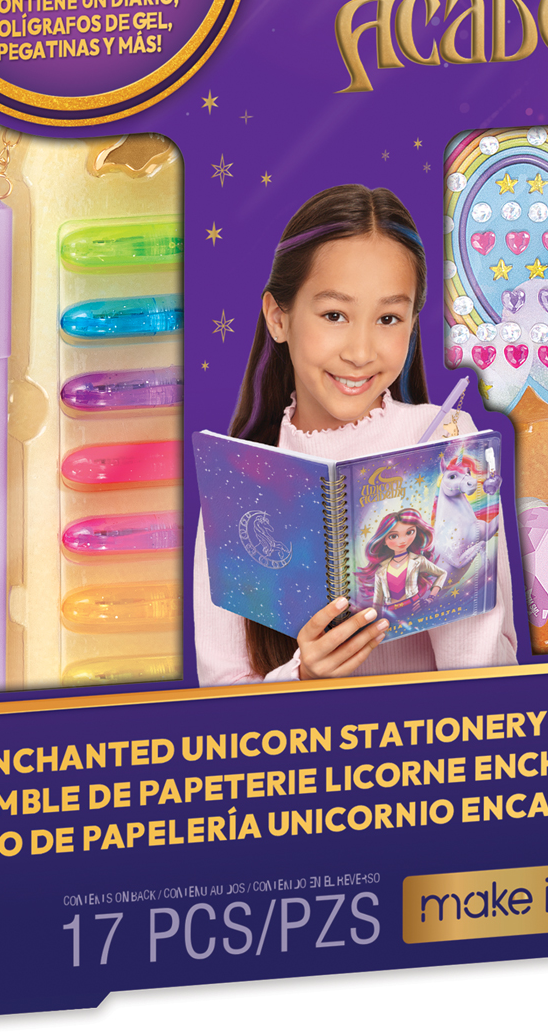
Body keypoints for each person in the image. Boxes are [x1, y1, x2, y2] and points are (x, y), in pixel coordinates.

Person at [192, 183, 516, 684]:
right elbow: (221, 694)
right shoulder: (239, 478)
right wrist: (302, 677)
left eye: (388, 318)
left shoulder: (447, 440)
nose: (361, 352)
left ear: (412, 324)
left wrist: (451, 577)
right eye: (334, 315)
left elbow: (487, 679)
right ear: (279, 318)